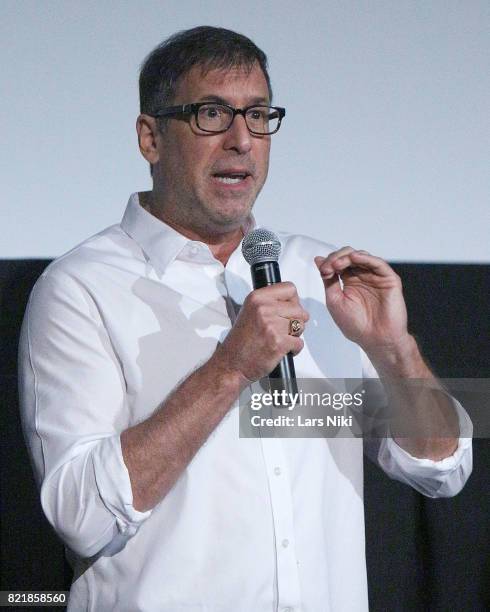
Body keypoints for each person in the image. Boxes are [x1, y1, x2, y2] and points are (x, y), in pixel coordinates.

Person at [18, 26, 472, 612]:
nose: (241, 140)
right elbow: (81, 517)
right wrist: (230, 368)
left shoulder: (317, 275)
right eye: (212, 114)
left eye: (258, 116)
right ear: (150, 137)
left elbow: (443, 468)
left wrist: (395, 350)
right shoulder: (80, 288)